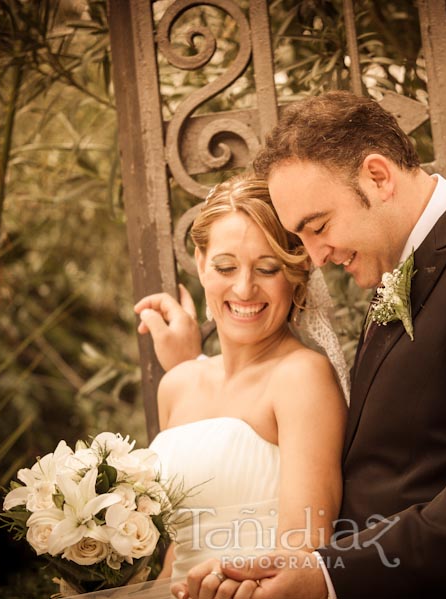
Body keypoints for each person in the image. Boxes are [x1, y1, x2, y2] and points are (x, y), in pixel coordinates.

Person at [138, 91, 446, 599]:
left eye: (319, 226)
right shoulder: (407, 266)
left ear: (378, 176)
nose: (316, 256)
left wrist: (331, 573)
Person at [139, 173, 348, 596]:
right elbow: (177, 555)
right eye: (225, 266)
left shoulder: (302, 376)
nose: (244, 287)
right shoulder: (176, 385)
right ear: (200, 263)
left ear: (296, 269)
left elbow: (304, 546)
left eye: (267, 268)